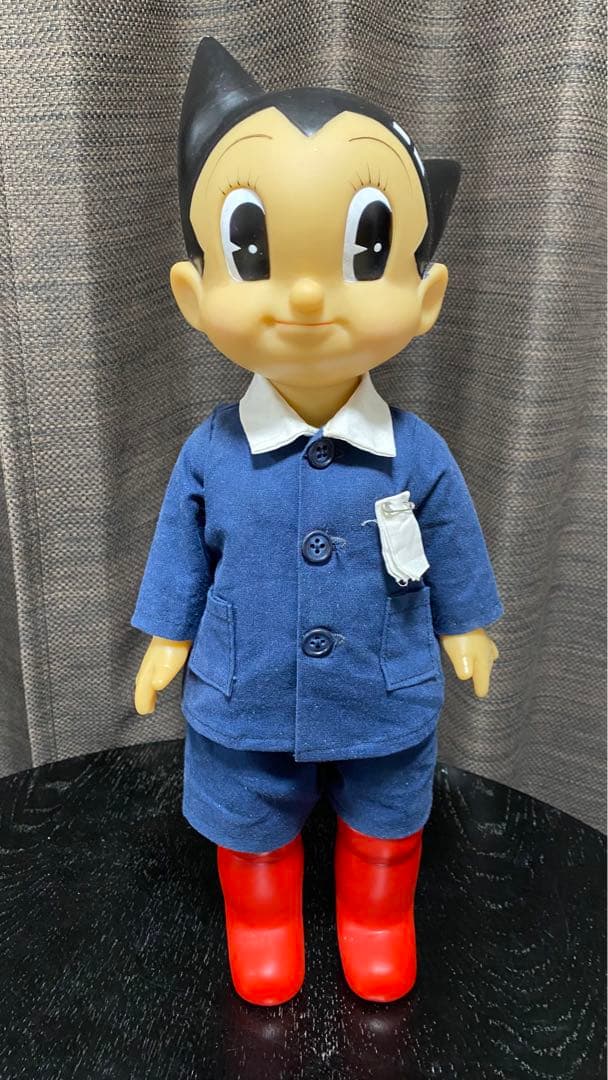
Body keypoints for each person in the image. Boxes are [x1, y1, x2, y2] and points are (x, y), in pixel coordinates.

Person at [131, 37, 503, 1006]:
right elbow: (180, 547)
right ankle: (262, 923)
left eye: (362, 256)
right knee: (247, 819)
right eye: (253, 256)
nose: (304, 296)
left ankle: (376, 918)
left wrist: (466, 626)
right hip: (244, 688)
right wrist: (166, 639)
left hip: (384, 690)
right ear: (194, 294)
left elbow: (451, 541)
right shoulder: (210, 451)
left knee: (387, 818)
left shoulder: (415, 451)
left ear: (423, 298)